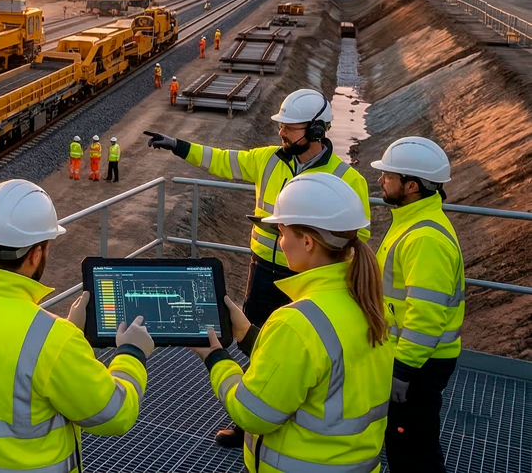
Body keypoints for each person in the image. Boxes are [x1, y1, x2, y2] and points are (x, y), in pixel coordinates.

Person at [146, 87, 372, 447]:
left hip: (310, 280)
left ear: (316, 131)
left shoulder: (348, 181)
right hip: (263, 271)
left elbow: (356, 237)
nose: (281, 133)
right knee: (258, 343)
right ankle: (248, 419)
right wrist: (178, 145)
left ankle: (285, 411)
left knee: (299, 345)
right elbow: (221, 159)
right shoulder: (267, 159)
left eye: (290, 128)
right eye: (281, 126)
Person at [0, 179, 153, 472]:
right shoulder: (51, 341)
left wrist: (67, 336)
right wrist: (131, 353)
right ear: (36, 254)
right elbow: (115, 415)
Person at [189, 173, 392, 473]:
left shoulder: (296, 323)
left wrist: (215, 357)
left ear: (307, 242)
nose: (280, 243)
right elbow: (319, 365)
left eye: (282, 233)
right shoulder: (372, 304)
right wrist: (246, 333)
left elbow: (251, 413)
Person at [371, 137, 463, 473]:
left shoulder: (425, 239)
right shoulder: (412, 222)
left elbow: (425, 317)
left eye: (388, 176)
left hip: (419, 363)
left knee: (413, 448)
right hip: (413, 357)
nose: (381, 180)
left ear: (411, 186)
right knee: (408, 442)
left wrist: (402, 372)